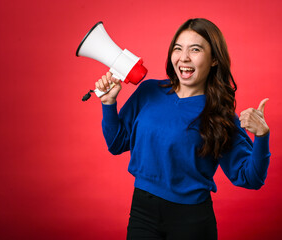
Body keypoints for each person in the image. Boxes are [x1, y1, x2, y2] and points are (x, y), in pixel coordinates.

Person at [95, 18, 271, 240]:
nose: (184, 57)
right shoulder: (149, 91)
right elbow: (116, 143)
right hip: (142, 212)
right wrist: (109, 104)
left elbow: (251, 178)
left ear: (214, 59)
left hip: (192, 222)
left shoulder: (220, 114)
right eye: (178, 49)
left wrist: (262, 136)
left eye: (195, 49)